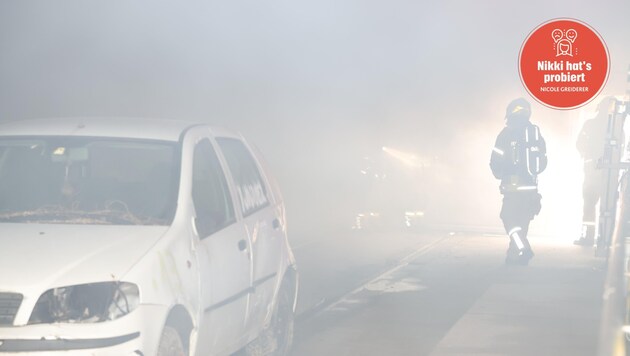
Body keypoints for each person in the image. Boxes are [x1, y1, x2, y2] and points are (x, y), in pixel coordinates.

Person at [490, 98, 547, 265]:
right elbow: (543, 162)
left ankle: (524, 249)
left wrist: (500, 174)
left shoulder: (506, 134)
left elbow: (495, 160)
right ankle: (515, 255)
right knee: (522, 222)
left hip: (512, 186)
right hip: (530, 186)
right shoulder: (535, 133)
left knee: (508, 217)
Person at [573, 96, 615, 246]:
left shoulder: (590, 124)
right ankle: (605, 239)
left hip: (592, 173)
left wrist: (587, 156)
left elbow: (579, 144)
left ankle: (588, 238)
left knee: (589, 206)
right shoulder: (615, 127)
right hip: (608, 174)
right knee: (607, 208)